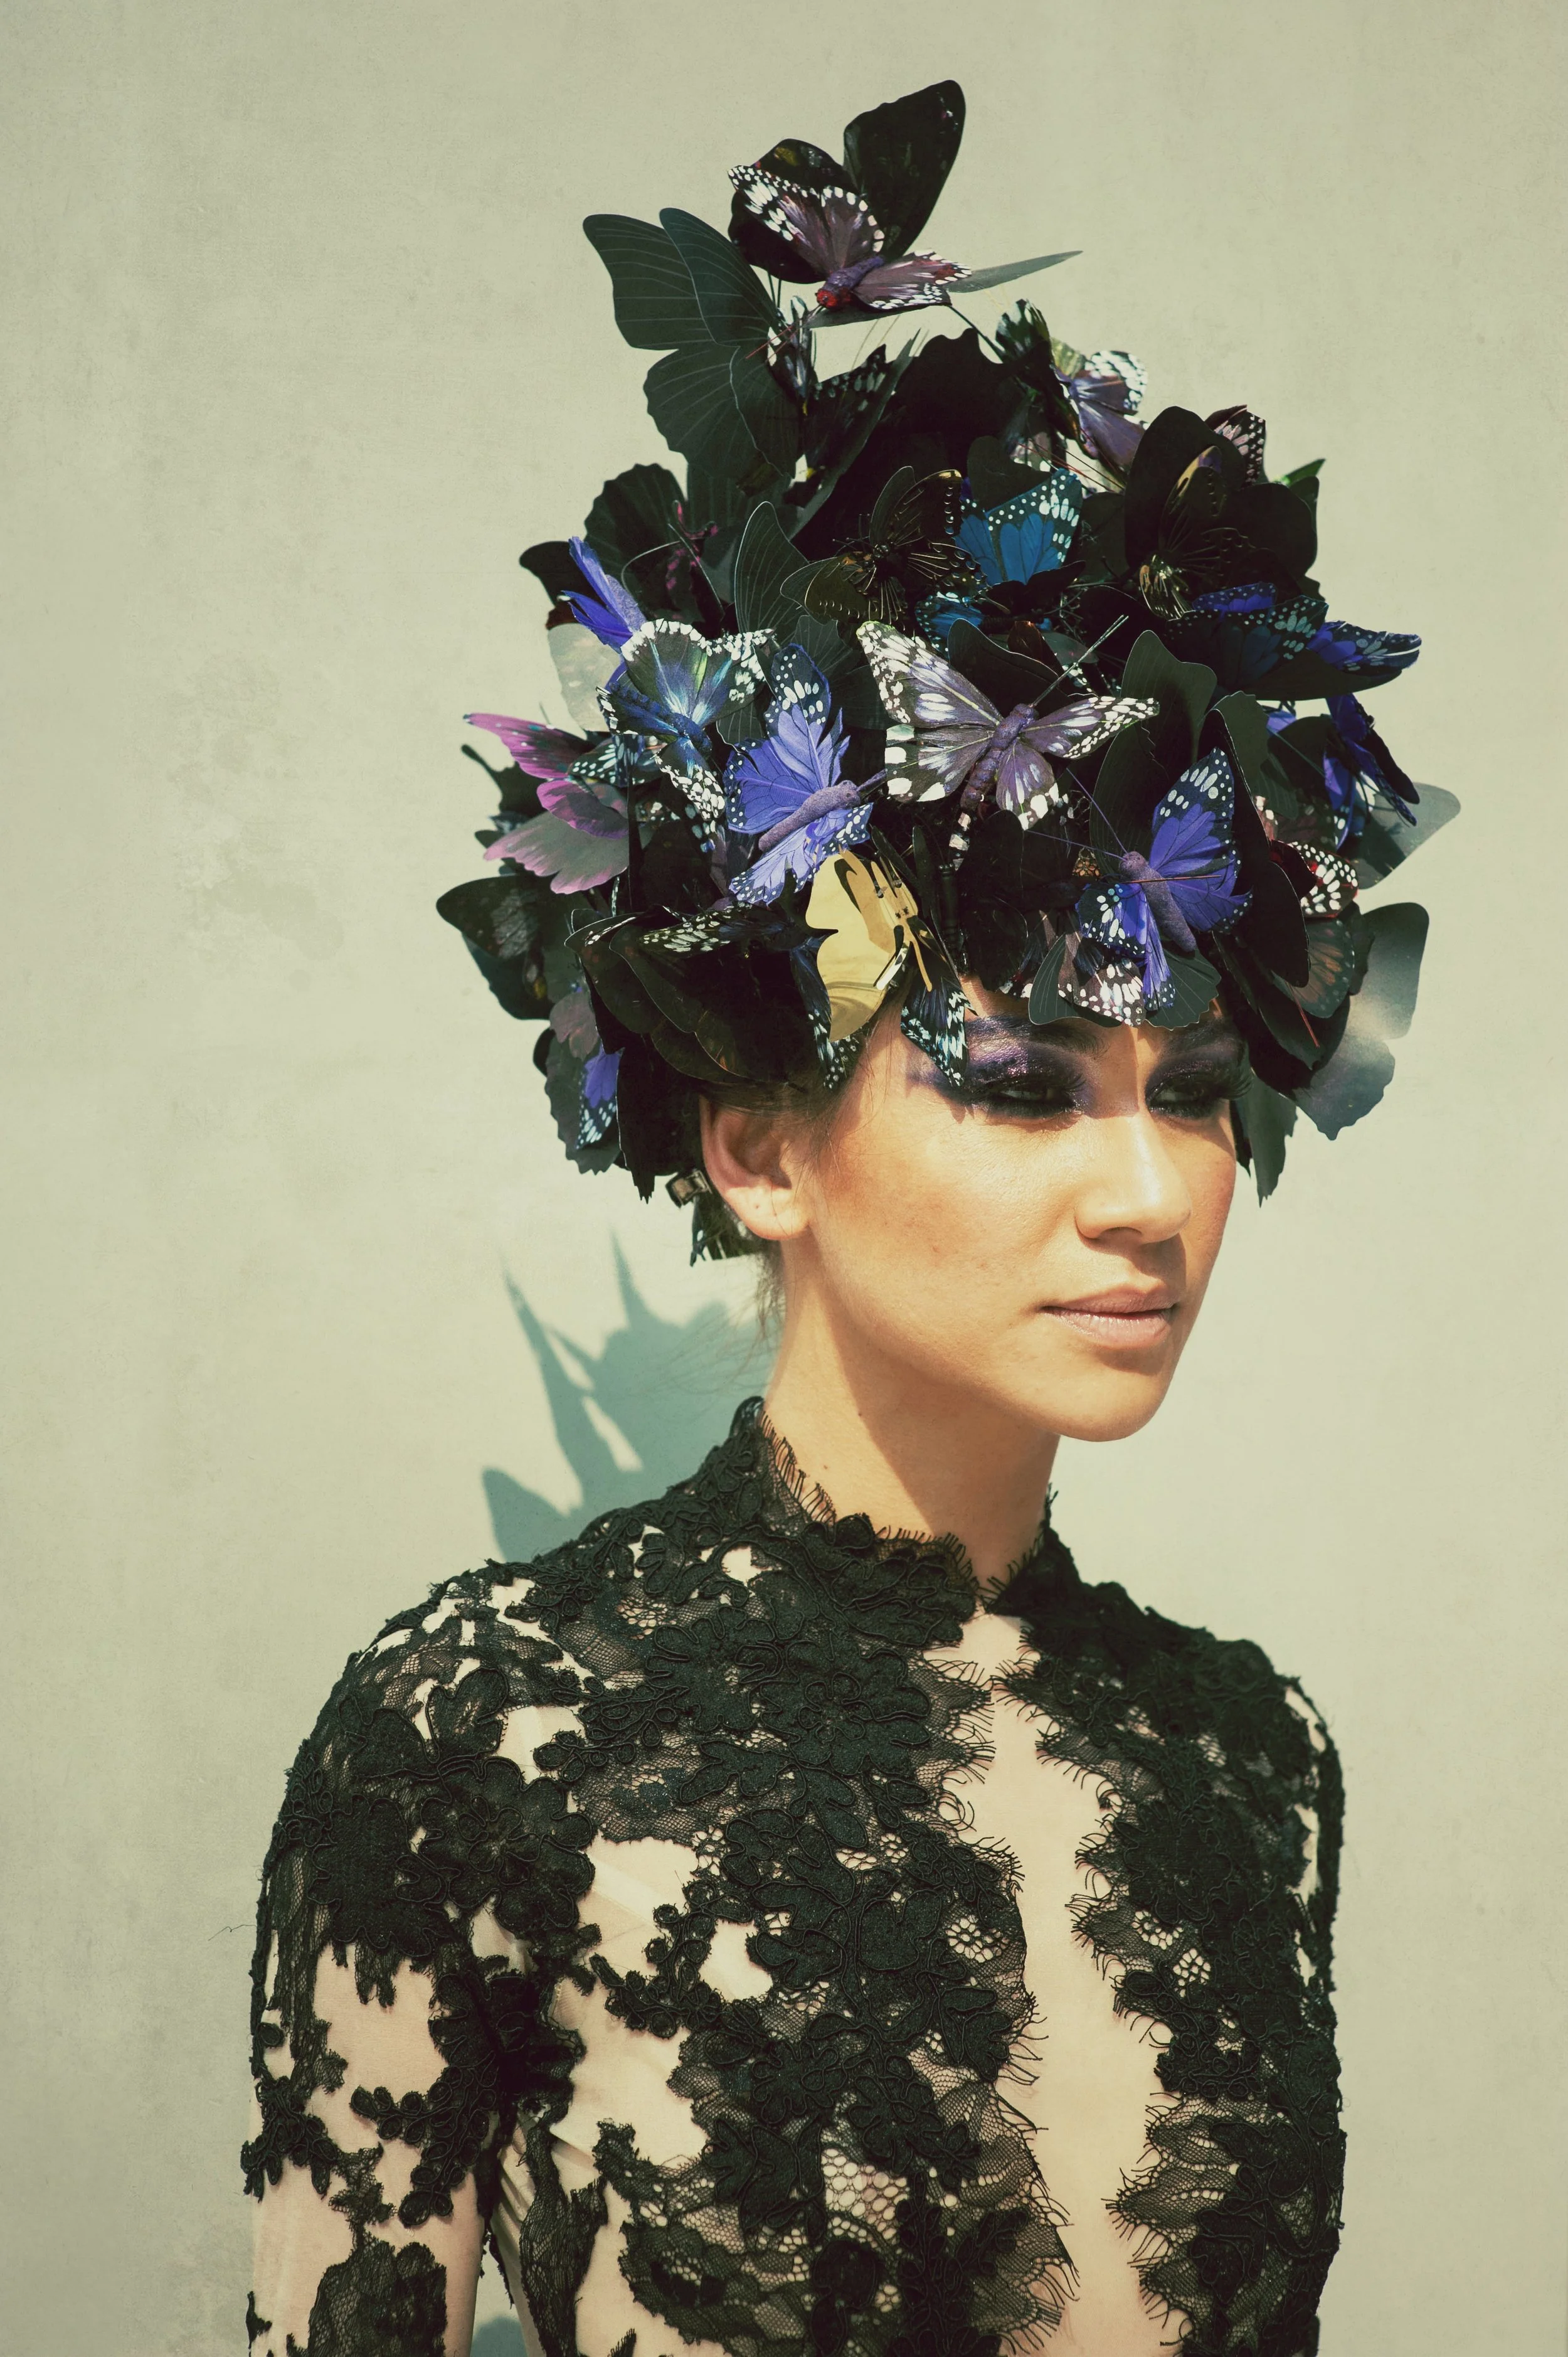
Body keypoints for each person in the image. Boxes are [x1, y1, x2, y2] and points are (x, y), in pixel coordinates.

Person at [243, 78, 1444, 2357]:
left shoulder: (1247, 1758)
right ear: (755, 1145)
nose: (1148, 1192)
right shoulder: (472, 1738)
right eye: (1019, 1082)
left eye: (1197, 1095)